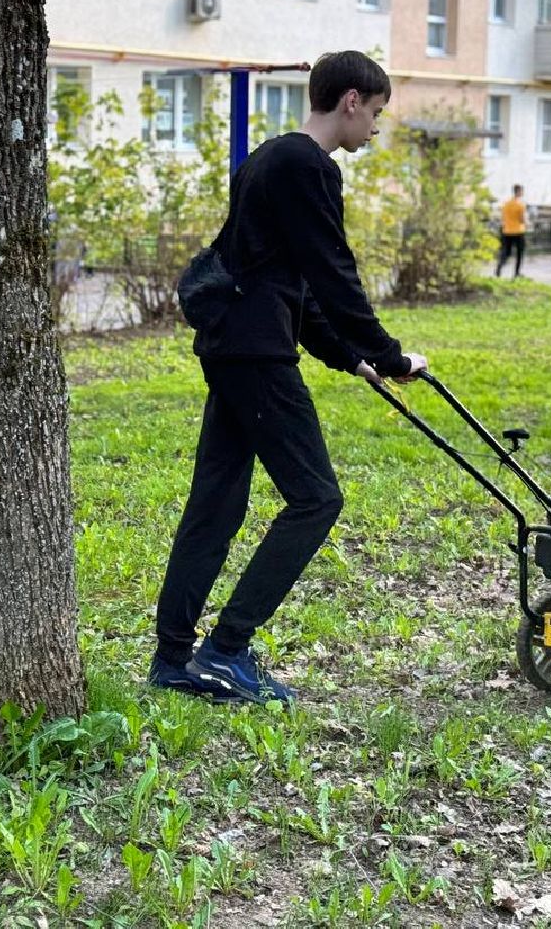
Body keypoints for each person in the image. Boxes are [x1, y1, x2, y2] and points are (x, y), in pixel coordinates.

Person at [149, 51, 428, 704]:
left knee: (215, 505)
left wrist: (349, 357)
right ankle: (225, 650)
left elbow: (286, 281)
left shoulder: (268, 159)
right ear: (352, 100)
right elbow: (333, 272)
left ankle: (172, 659)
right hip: (256, 354)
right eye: (377, 116)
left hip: (232, 343)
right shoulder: (308, 166)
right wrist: (388, 353)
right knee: (316, 498)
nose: (374, 131)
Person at [496, 184, 528, 278]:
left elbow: (503, 217)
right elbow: (522, 219)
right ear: (519, 192)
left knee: (506, 252)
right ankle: (516, 273)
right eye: (521, 191)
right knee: (519, 253)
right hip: (518, 231)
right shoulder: (520, 205)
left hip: (507, 231)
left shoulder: (506, 204)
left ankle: (499, 267)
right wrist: (527, 223)